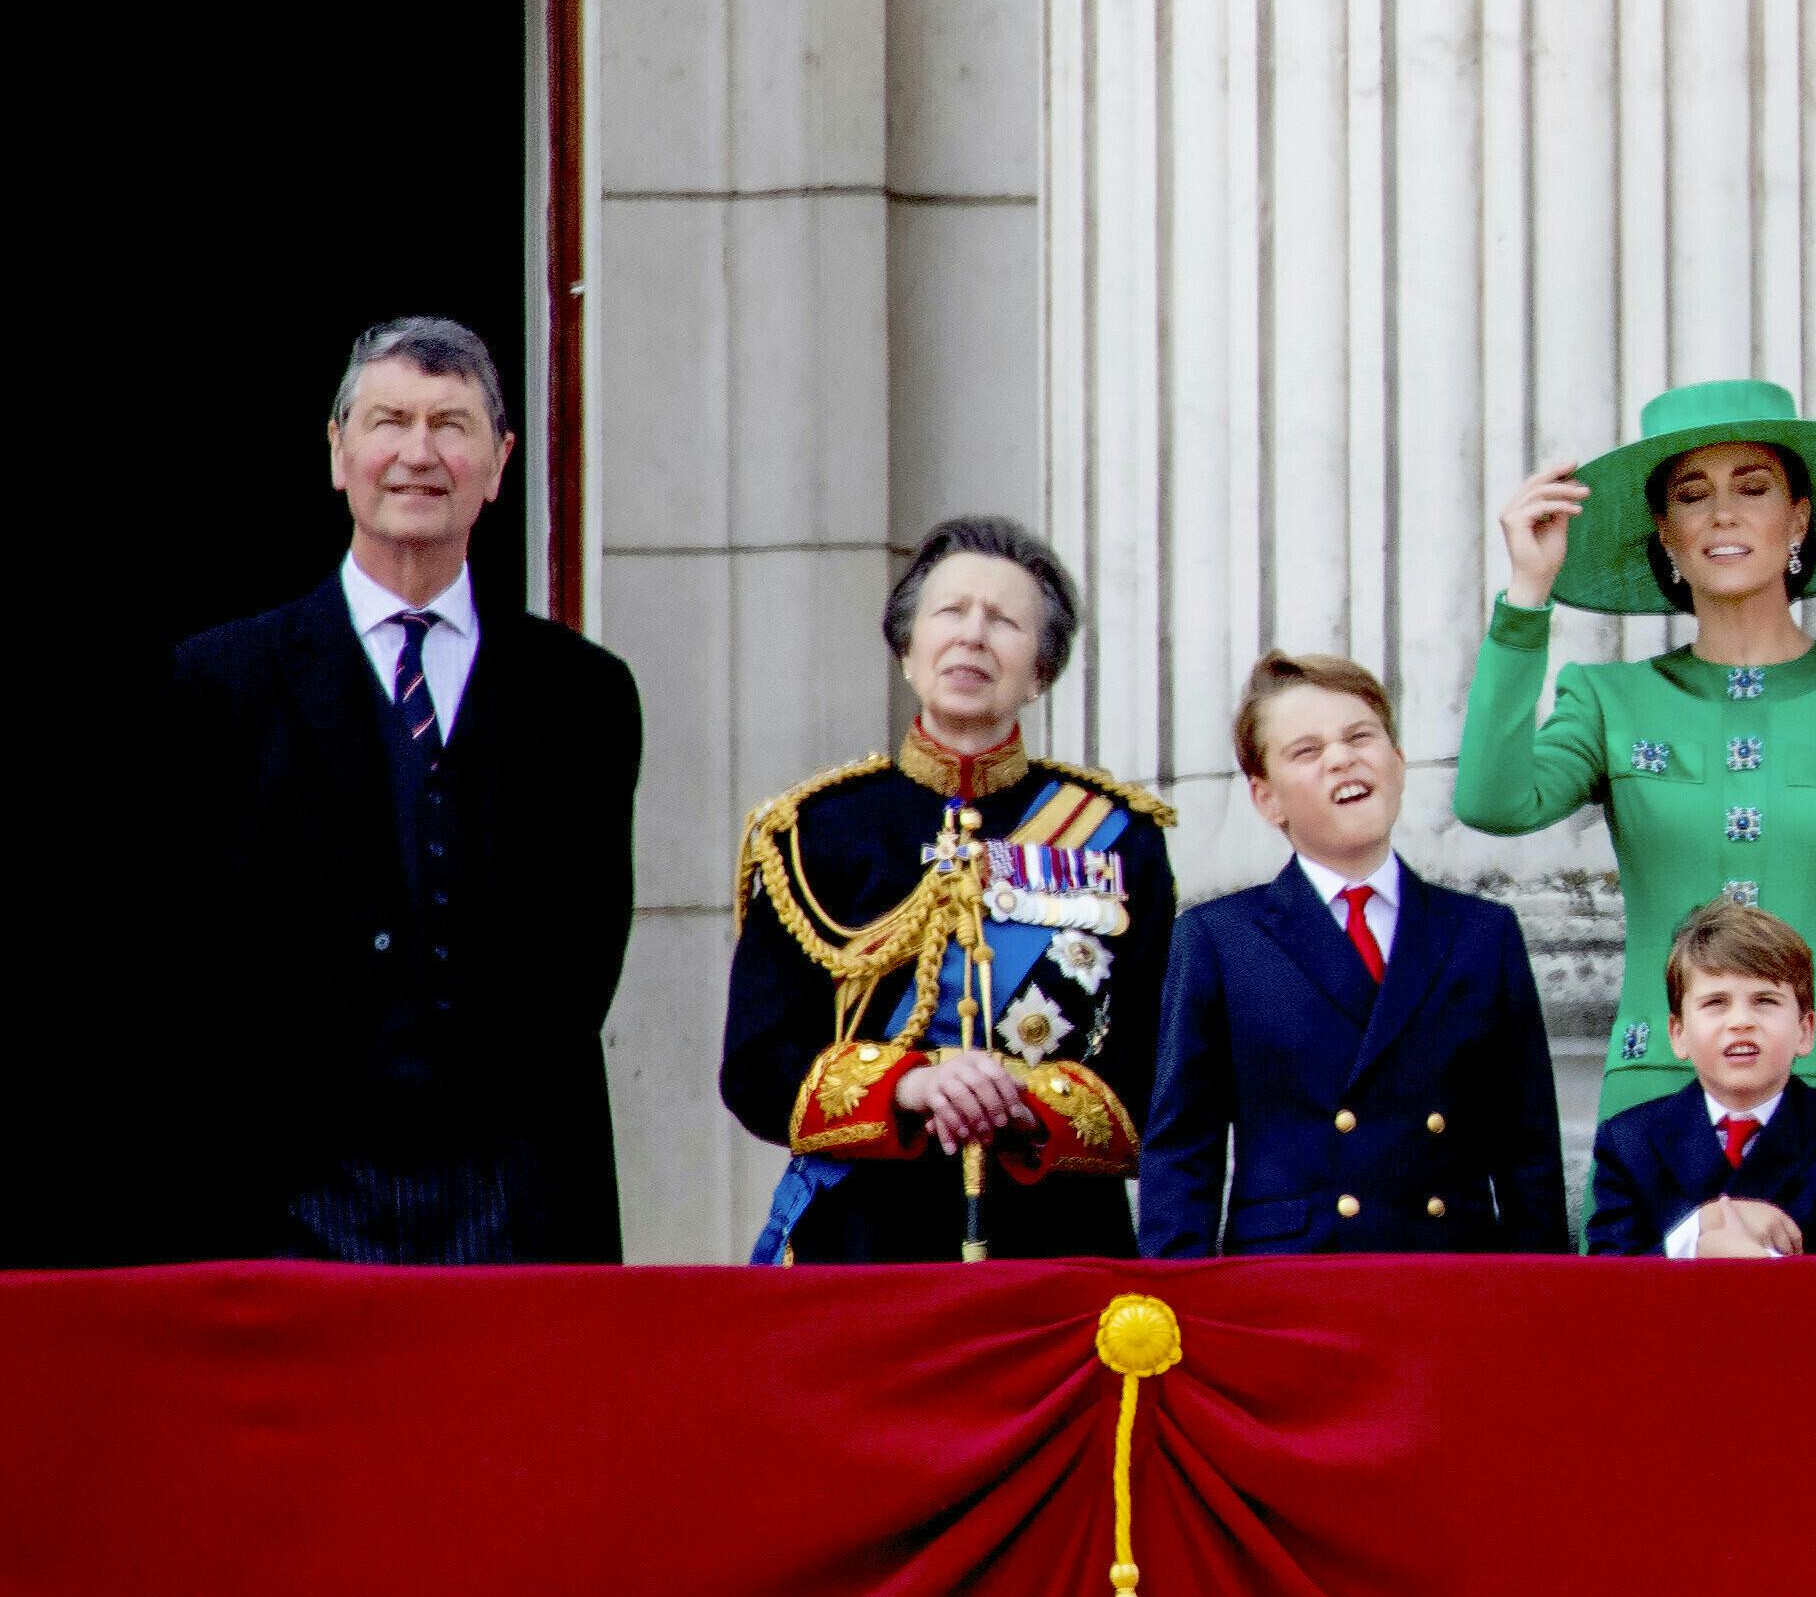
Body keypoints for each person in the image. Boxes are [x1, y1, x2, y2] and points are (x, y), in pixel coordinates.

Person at [162, 316, 646, 1262]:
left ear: (500, 463)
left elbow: (584, 955)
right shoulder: (220, 683)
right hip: (290, 1195)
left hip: (516, 1195)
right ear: (338, 449)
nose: (417, 453)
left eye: (451, 425)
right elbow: (187, 955)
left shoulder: (584, 694)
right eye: (389, 420)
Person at [1461, 378, 1816, 1162]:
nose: (1723, 513)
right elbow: (1492, 800)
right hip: (1651, 1109)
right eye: (1693, 495)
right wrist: (1527, 594)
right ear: (1665, 530)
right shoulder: (1608, 699)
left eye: (1752, 487)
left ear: (1797, 516)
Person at [723, 516, 1178, 1264]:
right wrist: (909, 1086)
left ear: (1040, 671)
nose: (972, 636)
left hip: (1058, 1248)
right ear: (908, 650)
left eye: (1003, 621)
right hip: (863, 1244)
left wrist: (1023, 1101)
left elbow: (1154, 1070)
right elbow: (756, 1068)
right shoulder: (812, 831)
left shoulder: (1120, 837)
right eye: (950, 613)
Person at [1139, 653, 1570, 1257]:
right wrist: (1175, 1308)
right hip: (1290, 1281)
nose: (1342, 758)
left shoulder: (1481, 932)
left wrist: (1538, 1300)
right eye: (1306, 751)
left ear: (1396, 761)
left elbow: (1528, 1151)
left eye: (1360, 736)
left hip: (1449, 1271)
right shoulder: (1220, 938)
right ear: (1267, 799)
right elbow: (1185, 1149)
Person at [1587, 901, 1816, 1257]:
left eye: (1765, 1001)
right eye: (1716, 1003)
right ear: (1678, 1034)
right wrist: (1696, 1235)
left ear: (1805, 1030)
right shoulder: (1630, 1142)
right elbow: (1608, 1280)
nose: (1741, 1021)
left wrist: (1764, 1262)